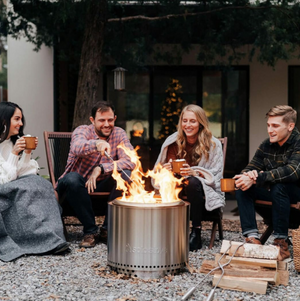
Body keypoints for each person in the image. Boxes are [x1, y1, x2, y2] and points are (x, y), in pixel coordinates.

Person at [56, 101, 135, 248]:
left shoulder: (119, 133)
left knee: (127, 174)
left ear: (115, 119)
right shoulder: (82, 131)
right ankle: (90, 231)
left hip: (99, 189)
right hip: (73, 191)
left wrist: (102, 168)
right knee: (73, 178)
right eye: (102, 120)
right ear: (92, 120)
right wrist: (96, 144)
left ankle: (107, 229)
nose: (106, 124)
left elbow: (130, 161)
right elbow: (77, 147)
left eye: (110, 120)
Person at [0, 102, 69, 262]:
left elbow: (27, 172)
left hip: (15, 185)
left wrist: (27, 153)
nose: (21, 123)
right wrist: (15, 152)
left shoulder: (12, 142)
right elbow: (4, 180)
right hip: (3, 190)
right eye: (16, 119)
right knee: (29, 188)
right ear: (4, 120)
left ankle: (54, 238)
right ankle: (43, 240)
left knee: (43, 184)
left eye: (21, 119)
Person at [153, 104, 225, 251]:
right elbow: (164, 166)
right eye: (185, 121)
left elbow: (216, 174)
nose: (188, 125)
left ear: (201, 123)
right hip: (178, 185)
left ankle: (196, 232)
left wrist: (196, 173)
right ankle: (167, 230)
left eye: (192, 121)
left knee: (192, 182)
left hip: (200, 187)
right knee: (168, 180)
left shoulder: (213, 144)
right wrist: (166, 169)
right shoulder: (173, 141)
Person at [234, 105, 300, 261]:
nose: (270, 130)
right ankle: (252, 239)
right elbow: (251, 167)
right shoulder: (266, 145)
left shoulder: (298, 142)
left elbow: (292, 171)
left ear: (290, 126)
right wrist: (247, 176)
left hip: (296, 199)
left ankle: (280, 243)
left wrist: (259, 177)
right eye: (268, 125)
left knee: (280, 186)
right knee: (242, 185)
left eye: (275, 126)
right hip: (277, 200)